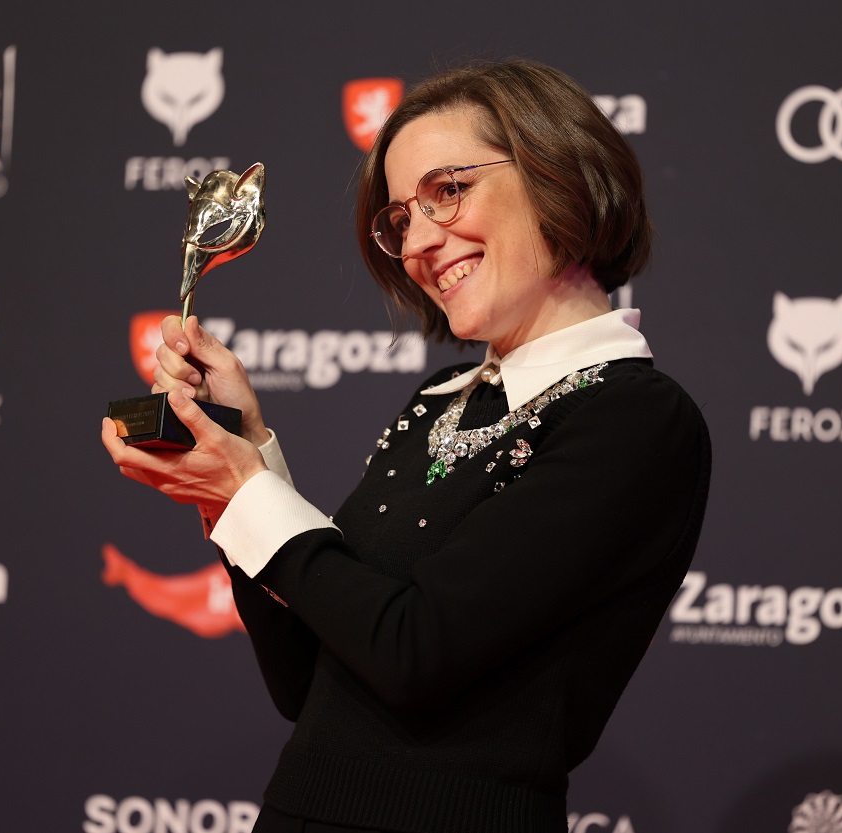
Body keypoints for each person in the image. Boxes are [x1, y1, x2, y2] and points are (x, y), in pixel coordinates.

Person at [102, 59, 711, 833]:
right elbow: (306, 680)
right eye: (398, 219)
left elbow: (415, 650)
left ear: (558, 173)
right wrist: (241, 457)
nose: (419, 241)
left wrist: (245, 492)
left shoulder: (635, 420)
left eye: (447, 191)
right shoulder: (439, 401)